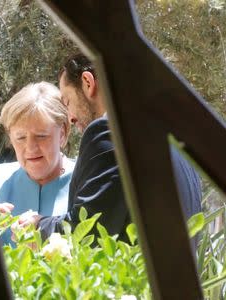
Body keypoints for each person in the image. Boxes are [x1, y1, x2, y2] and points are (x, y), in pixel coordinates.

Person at [18, 54, 202, 248]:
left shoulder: (108, 132)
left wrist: (39, 225)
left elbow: (88, 231)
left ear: (88, 82)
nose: (70, 118)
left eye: (67, 102)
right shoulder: (174, 143)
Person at [0, 81, 75, 245]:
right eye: (20, 137)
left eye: (41, 136)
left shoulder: (86, 180)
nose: (30, 147)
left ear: (62, 133)